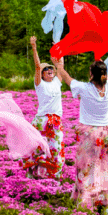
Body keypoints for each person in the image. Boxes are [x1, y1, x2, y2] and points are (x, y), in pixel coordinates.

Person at [54, 56, 108, 215]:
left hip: (89, 132)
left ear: (91, 74)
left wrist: (57, 64)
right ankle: (106, 204)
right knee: (105, 166)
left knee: (86, 167)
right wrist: (103, 67)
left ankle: (86, 201)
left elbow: (66, 77)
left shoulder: (84, 88)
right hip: (105, 132)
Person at [22, 36, 65, 179]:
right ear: (41, 73)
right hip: (42, 120)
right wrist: (34, 47)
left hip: (55, 121)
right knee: (36, 149)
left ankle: (54, 178)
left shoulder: (57, 82)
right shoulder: (39, 84)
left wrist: (59, 49)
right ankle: (32, 173)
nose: (49, 70)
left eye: (50, 68)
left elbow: (60, 66)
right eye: (45, 69)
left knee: (56, 150)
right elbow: (36, 66)